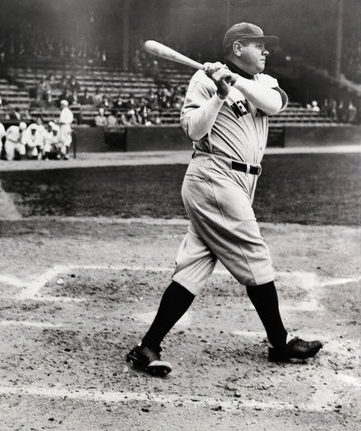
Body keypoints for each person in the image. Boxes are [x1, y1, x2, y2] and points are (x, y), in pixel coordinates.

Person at [126, 23, 323, 376]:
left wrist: (232, 80)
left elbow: (274, 106)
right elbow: (193, 130)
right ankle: (280, 342)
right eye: (258, 45)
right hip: (214, 175)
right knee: (255, 256)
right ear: (236, 48)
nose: (266, 52)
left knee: (194, 268)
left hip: (242, 182)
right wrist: (218, 94)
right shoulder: (203, 81)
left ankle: (147, 347)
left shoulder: (264, 83)